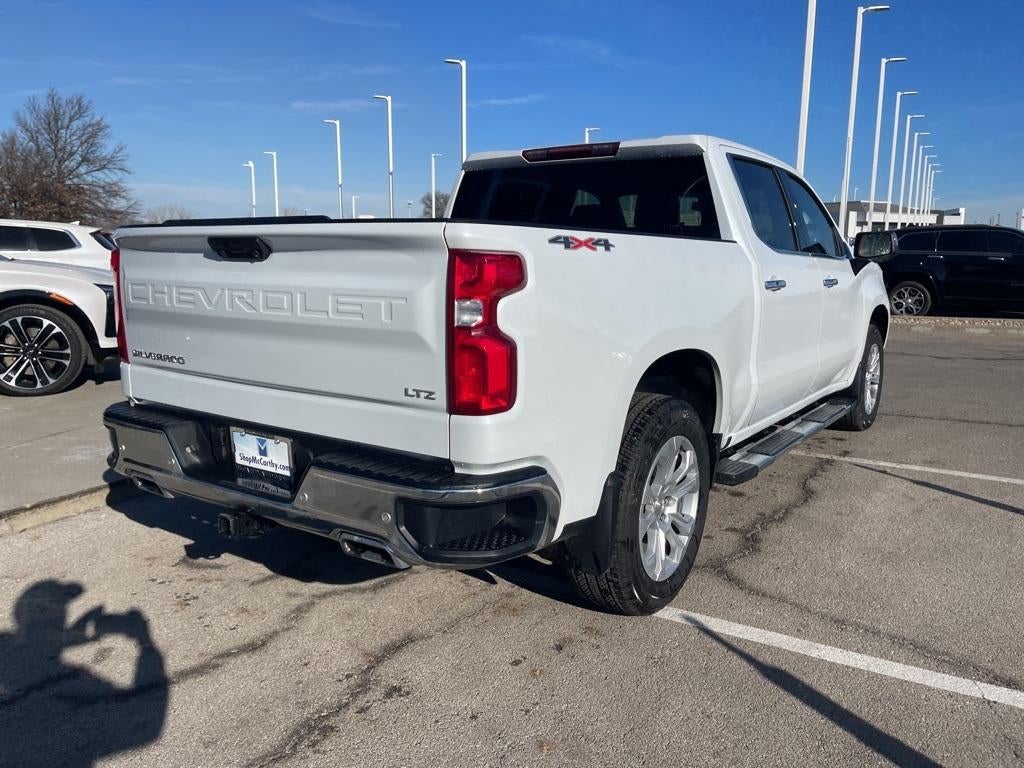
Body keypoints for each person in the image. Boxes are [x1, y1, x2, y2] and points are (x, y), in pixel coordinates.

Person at [0, 580, 168, 767]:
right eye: (48, 611)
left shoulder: (17, 662)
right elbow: (146, 730)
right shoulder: (59, 687)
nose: (63, 617)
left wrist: (73, 637)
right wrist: (143, 641)